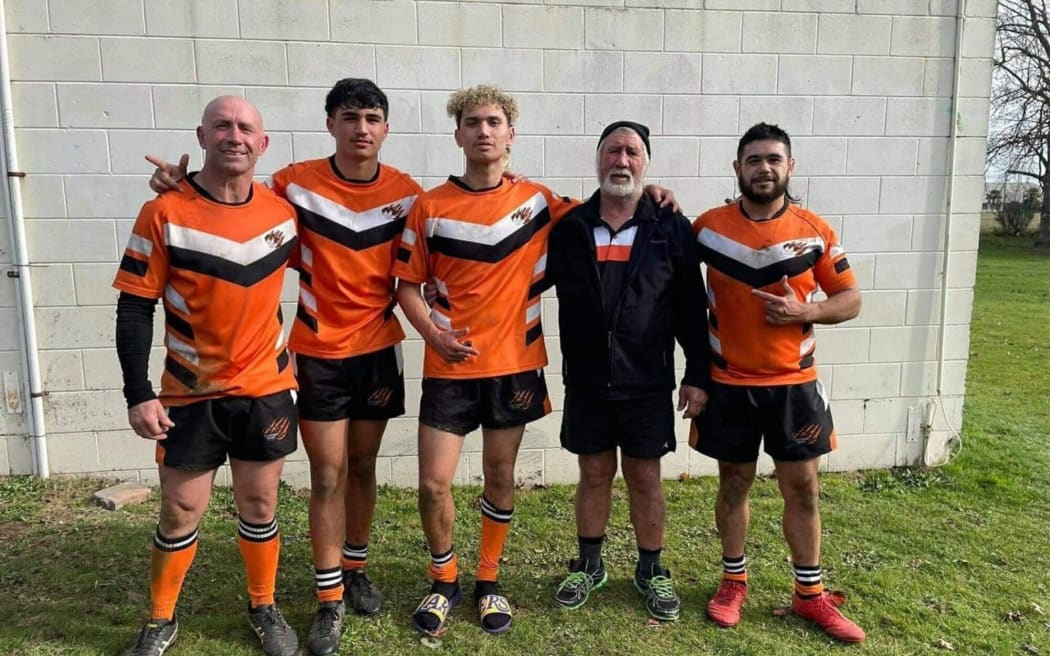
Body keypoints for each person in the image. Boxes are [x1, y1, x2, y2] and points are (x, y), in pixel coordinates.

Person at [146, 79, 424, 656]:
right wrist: (181, 186)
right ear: (331, 125)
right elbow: (230, 200)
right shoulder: (292, 184)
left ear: (387, 128)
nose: (361, 128)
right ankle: (327, 601)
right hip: (318, 352)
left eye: (372, 117)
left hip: (378, 351)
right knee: (327, 476)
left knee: (364, 468)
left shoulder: (409, 194)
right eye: (349, 117)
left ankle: (355, 569)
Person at [115, 96, 300, 656]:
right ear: (202, 136)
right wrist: (138, 393)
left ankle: (264, 606)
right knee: (180, 510)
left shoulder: (284, 213)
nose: (234, 135)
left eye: (247, 127)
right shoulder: (164, 211)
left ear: (263, 144)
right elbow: (133, 307)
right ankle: (160, 619)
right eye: (222, 125)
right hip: (188, 394)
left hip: (267, 389)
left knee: (260, 506)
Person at [690, 122, 865, 643]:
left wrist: (803, 311)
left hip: (794, 386)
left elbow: (850, 299)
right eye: (754, 160)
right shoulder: (707, 228)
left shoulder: (815, 231)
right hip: (728, 385)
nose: (764, 168)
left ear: (790, 167)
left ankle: (809, 595)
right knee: (734, 483)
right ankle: (732, 582)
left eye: (774, 159)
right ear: (737, 168)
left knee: (803, 489)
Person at [545, 121, 710, 622]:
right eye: (613, 150)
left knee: (644, 476)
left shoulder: (670, 226)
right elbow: (513, 277)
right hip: (590, 380)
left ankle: (651, 570)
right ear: (598, 160)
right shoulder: (569, 227)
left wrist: (698, 372)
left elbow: (689, 307)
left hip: (648, 380)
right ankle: (590, 564)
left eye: (633, 152)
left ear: (646, 163)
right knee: (593, 473)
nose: (622, 160)